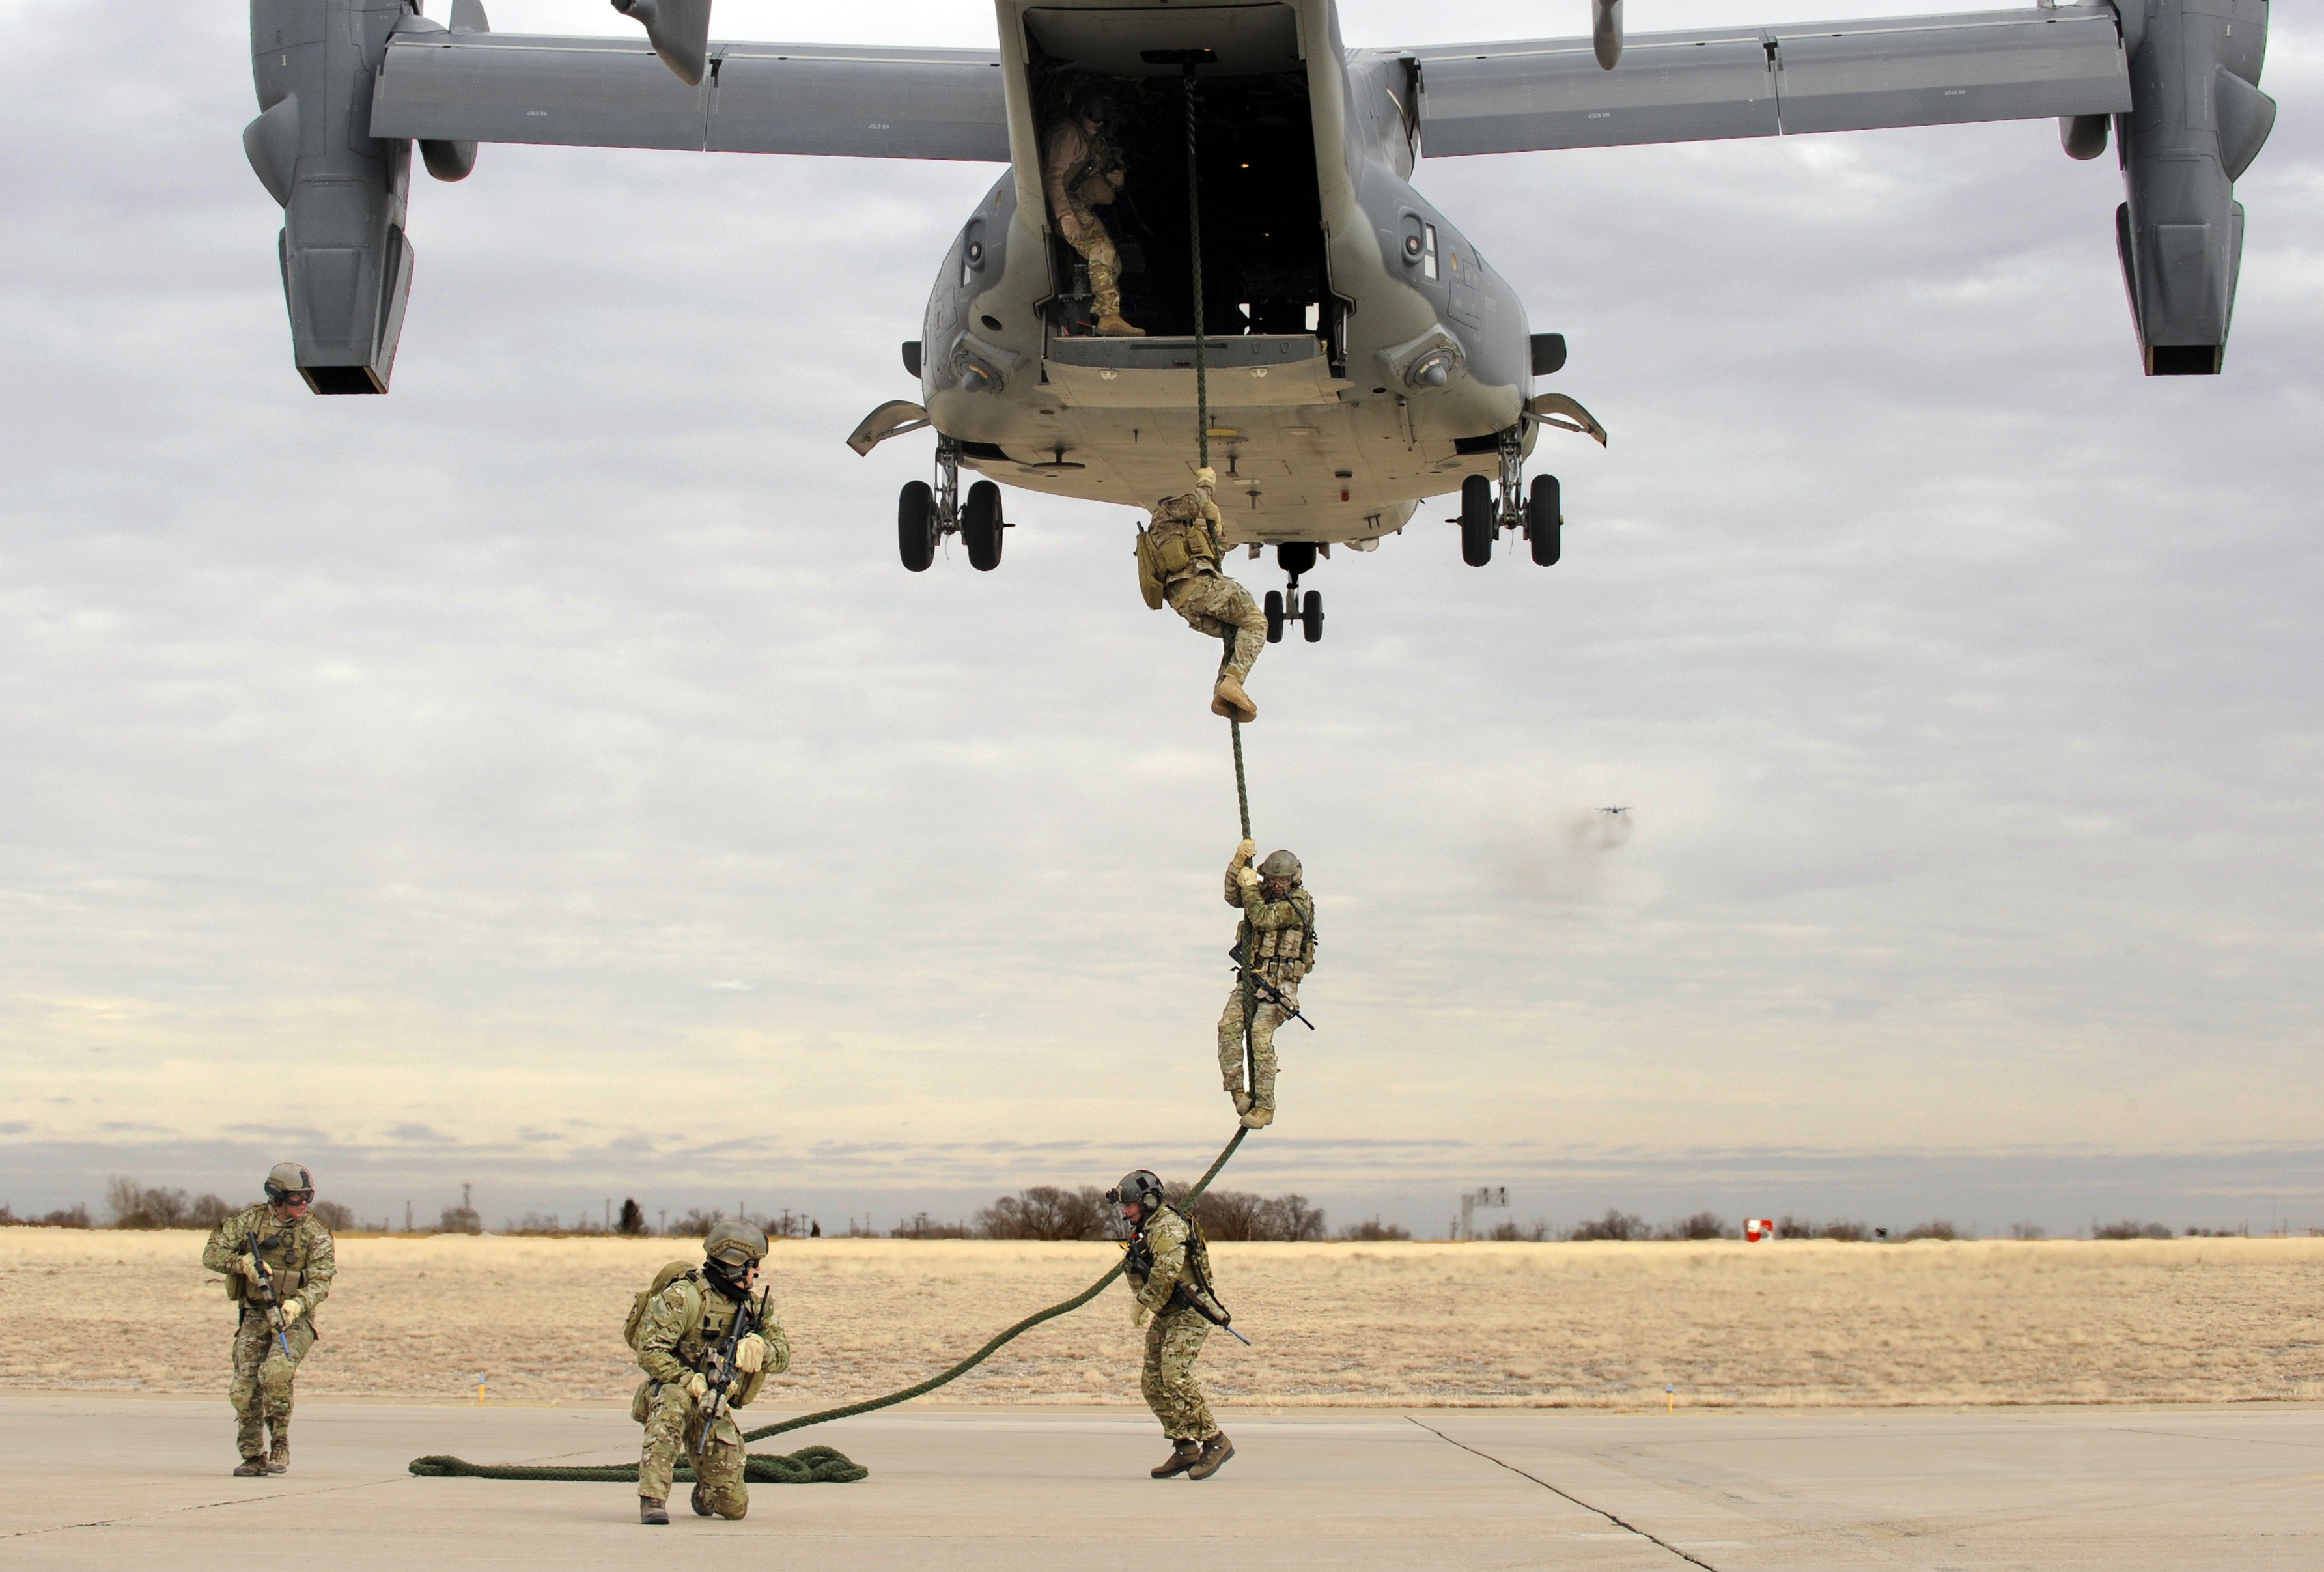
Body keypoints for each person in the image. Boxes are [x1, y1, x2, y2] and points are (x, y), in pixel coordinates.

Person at [633, 1221, 788, 1525]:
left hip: (714, 1403)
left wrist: (760, 1349)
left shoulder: (756, 1307)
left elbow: (783, 1356)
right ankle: (652, 1499)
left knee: (734, 1508)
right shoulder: (683, 1297)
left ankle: (706, 1492)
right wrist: (688, 1380)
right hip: (671, 1391)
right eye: (753, 1266)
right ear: (734, 1265)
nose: (757, 1273)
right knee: (673, 1402)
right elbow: (649, 1352)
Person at [201, 1162, 337, 1476]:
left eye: (308, 1197)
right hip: (255, 1314)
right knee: (244, 1389)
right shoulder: (249, 1222)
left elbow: (321, 1281)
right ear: (277, 1197)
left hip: (294, 1320)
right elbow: (211, 1254)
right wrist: (242, 1264)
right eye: (296, 1198)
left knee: (276, 1373)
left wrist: (296, 1305)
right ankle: (252, 1455)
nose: (303, 1204)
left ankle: (280, 1442)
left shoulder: (315, 1234)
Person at [1109, 1169, 1233, 1480]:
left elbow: (1166, 1272)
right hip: (1167, 1313)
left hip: (1189, 1312)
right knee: (1152, 1383)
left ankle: (1215, 1441)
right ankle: (1185, 1446)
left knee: (1174, 1375)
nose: (1126, 1212)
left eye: (1131, 1205)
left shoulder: (1166, 1226)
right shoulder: (1145, 1229)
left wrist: (1142, 1303)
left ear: (1149, 1201)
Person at [1137, 467, 1266, 722]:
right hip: (1198, 587)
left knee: (1237, 631)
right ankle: (1233, 682)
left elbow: (1218, 554)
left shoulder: (1184, 534)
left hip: (1187, 603)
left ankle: (1225, 690)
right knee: (1255, 622)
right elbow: (1196, 501)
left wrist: (1216, 526)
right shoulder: (1164, 515)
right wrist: (1207, 482)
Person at [1218, 841, 1316, 1128]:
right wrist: (1238, 863)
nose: (1277, 886)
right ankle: (1239, 1093)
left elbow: (1263, 919)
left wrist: (1250, 888)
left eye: (1283, 881)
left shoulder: (1299, 903)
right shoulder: (1258, 894)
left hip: (1281, 986)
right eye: (1272, 881)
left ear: (1294, 879)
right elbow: (1233, 896)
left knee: (1260, 1033)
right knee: (1228, 1027)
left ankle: (1265, 1107)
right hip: (1252, 978)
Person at [1043, 89, 1143, 337]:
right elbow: (1053, 178)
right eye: (1093, 117)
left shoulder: (1095, 141)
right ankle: (1109, 316)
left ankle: (1099, 313)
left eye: (1102, 120)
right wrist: (1066, 217)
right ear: (1081, 113)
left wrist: (1118, 181)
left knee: (1113, 262)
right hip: (1066, 206)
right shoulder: (1068, 136)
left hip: (1079, 205)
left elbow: (1105, 172)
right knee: (1102, 251)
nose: (1098, 124)